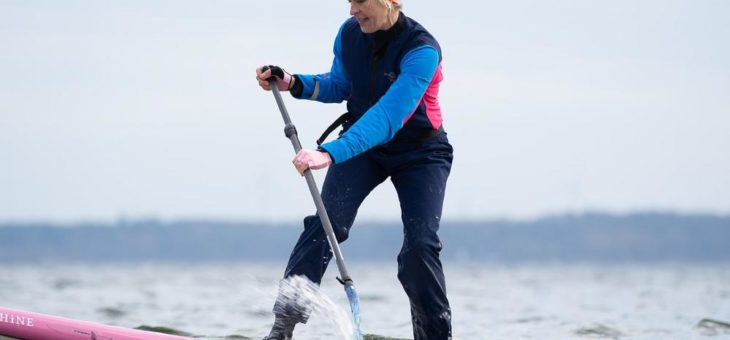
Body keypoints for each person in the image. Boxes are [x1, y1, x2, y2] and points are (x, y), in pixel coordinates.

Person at [255, 0, 453, 339]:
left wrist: (329, 153)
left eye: (360, 1)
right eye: (349, 1)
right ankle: (281, 329)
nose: (352, 11)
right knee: (325, 225)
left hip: (421, 153)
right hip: (364, 148)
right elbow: (341, 85)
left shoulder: (422, 51)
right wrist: (292, 82)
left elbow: (388, 117)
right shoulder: (350, 33)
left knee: (419, 248)